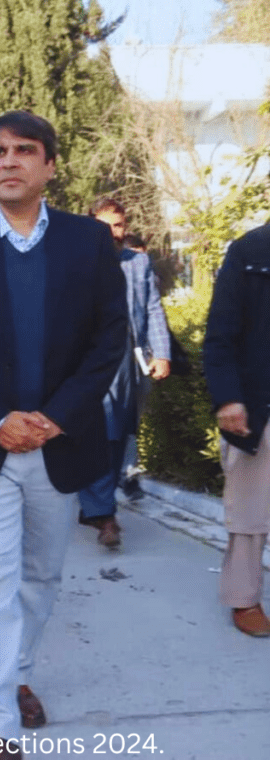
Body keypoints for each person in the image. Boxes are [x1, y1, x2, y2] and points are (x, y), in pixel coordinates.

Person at [0, 111, 126, 760]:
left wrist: (55, 416)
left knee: (41, 574)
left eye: (24, 151)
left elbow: (108, 339)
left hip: (58, 444)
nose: (8, 160)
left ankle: (18, 671)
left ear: (49, 166)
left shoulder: (90, 241)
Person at [79, 198, 171, 547]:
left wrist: (160, 353)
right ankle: (105, 515)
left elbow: (152, 307)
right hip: (89, 365)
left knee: (120, 435)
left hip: (128, 363)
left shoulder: (138, 262)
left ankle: (96, 506)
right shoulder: (77, 264)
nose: (112, 233)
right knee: (98, 432)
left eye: (117, 226)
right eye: (104, 226)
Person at [204, 220, 270, 638]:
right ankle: (244, 597)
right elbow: (220, 334)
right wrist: (228, 397)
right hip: (261, 401)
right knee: (251, 507)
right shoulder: (250, 251)